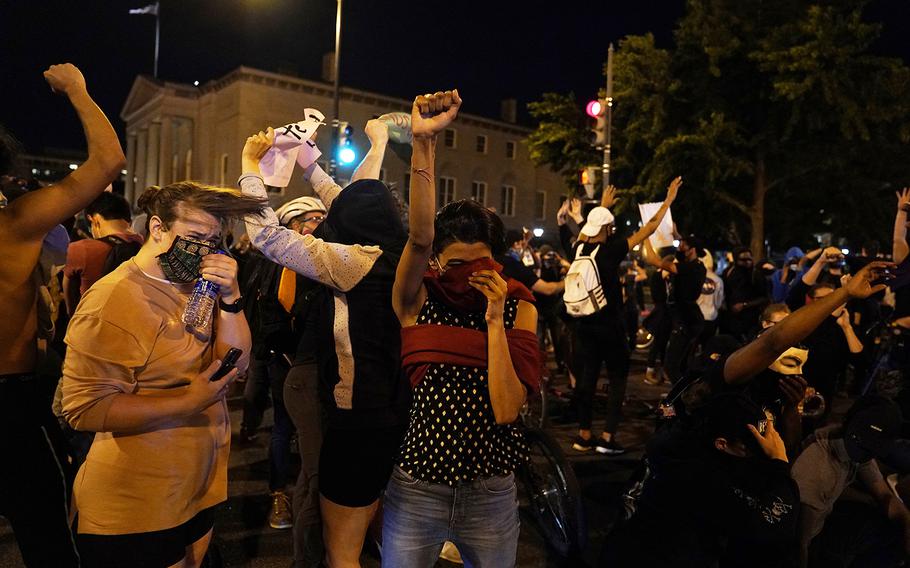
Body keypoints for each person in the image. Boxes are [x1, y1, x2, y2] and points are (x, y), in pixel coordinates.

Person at [61, 181, 265, 567]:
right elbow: (85, 409)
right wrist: (188, 401)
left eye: (214, 238)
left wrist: (232, 298)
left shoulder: (199, 286)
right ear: (158, 228)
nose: (205, 248)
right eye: (194, 236)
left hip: (195, 486)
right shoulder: (113, 299)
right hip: (136, 501)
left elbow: (235, 365)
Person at [241, 118, 410, 568]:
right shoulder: (403, 253)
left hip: (355, 415)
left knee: (341, 548)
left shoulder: (350, 262)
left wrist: (249, 166)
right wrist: (310, 159)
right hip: (396, 405)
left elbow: (267, 236)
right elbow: (354, 198)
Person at [382, 88, 540, 567]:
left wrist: (494, 323)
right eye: (456, 264)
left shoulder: (516, 306)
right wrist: (424, 145)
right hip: (417, 489)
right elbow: (419, 235)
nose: (470, 275)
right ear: (435, 262)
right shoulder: (418, 298)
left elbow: (509, 407)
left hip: (491, 493)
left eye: (482, 263)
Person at [0, 63, 125, 568]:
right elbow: (108, 159)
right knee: (51, 542)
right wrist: (76, 88)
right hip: (12, 407)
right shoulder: (16, 222)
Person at [602, 393, 800, 567]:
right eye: (749, 448)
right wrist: (780, 462)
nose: (755, 455)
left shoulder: (691, 443)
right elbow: (772, 529)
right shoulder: (698, 475)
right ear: (721, 444)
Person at [570, 177, 682, 454]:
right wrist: (668, 201)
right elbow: (650, 228)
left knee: (587, 379)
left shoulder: (579, 247)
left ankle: (583, 435)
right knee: (618, 379)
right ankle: (607, 438)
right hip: (610, 326)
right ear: (608, 228)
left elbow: (586, 231)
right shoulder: (611, 250)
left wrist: (603, 207)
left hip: (584, 325)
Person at [238, 196, 326, 531]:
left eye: (322, 217)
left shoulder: (324, 260)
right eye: (313, 218)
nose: (319, 224)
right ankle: (279, 494)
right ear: (292, 224)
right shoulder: (271, 264)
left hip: (317, 360)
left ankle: (312, 496)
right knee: (284, 426)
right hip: (282, 358)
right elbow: (261, 314)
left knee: (315, 431)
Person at [791, 395, 910, 567]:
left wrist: (906, 521)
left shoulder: (856, 443)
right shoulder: (818, 471)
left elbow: (883, 494)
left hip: (821, 522)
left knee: (887, 525)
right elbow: (799, 544)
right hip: (810, 540)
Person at [63, 191, 144, 314]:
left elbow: (70, 305)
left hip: (93, 324)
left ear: (94, 220)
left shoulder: (80, 249)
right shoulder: (146, 247)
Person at [642, 233, 707, 384]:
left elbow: (652, 259)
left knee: (671, 367)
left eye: (684, 245)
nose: (680, 247)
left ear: (692, 250)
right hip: (686, 319)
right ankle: (683, 397)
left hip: (686, 321)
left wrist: (645, 236)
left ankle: (682, 400)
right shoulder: (694, 266)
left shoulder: (690, 268)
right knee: (679, 365)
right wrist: (677, 235)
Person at [723, 246, 769, 341]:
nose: (747, 262)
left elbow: (765, 298)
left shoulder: (756, 275)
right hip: (731, 320)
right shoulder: (728, 272)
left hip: (751, 321)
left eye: (749, 259)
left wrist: (744, 305)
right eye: (743, 260)